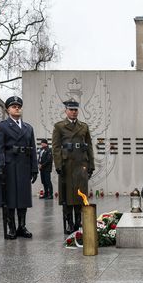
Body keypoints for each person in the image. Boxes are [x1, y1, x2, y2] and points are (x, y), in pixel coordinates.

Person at [0, 96, 38, 240]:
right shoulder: (2, 126)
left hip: (24, 165)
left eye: (19, 106)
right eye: (13, 106)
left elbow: (33, 149)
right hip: (9, 166)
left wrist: (34, 168)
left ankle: (22, 226)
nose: (17, 108)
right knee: (10, 198)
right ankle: (11, 227)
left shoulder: (28, 127)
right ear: (8, 110)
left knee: (23, 198)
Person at [52, 100, 95, 234]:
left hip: (81, 164)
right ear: (66, 111)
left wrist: (91, 165)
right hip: (67, 165)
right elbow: (56, 147)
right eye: (71, 110)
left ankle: (78, 221)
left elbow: (89, 146)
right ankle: (69, 222)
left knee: (80, 196)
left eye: (75, 110)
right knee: (67, 197)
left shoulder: (84, 127)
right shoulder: (59, 126)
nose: (73, 112)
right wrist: (58, 165)